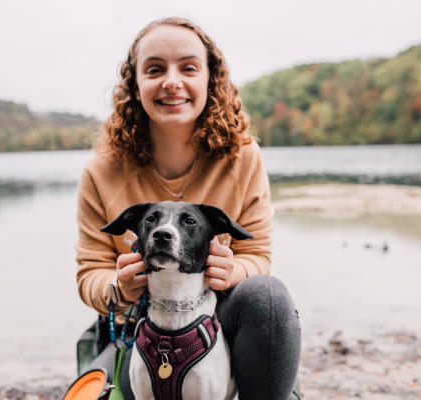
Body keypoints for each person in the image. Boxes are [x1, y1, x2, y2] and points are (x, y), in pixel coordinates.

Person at [75, 17, 301, 400]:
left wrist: (232, 270)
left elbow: (257, 255)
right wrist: (118, 287)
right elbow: (89, 273)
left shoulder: (242, 157)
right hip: (138, 324)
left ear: (210, 80)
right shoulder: (101, 170)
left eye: (188, 67)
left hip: (221, 317)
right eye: (155, 69)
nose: (172, 81)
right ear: (135, 85)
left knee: (267, 297)